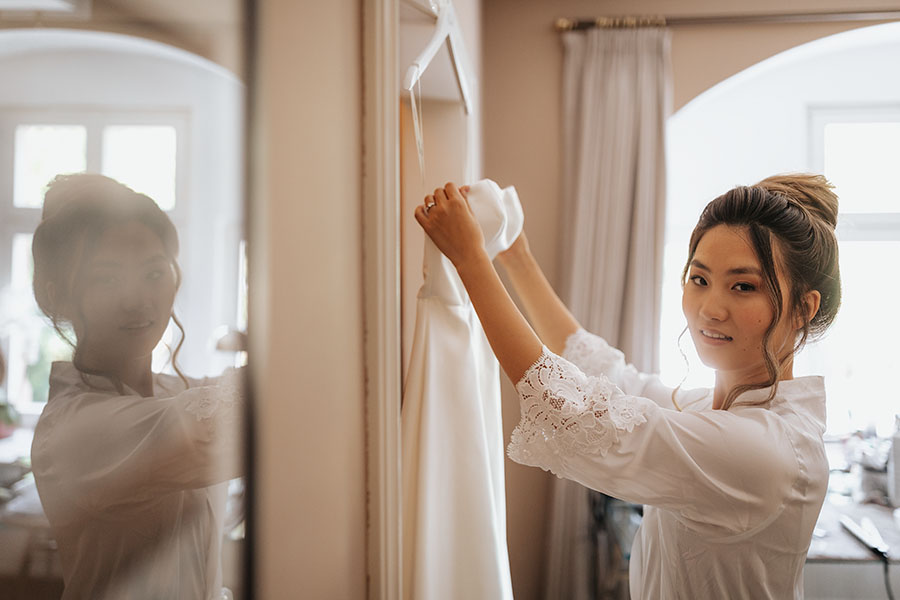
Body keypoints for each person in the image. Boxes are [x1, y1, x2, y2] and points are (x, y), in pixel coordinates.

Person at [415, 174, 840, 599]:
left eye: (743, 287)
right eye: (699, 279)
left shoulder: (767, 450)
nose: (710, 309)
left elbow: (573, 414)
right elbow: (606, 371)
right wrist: (515, 256)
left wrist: (472, 261)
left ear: (803, 307)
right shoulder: (714, 409)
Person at [29, 173, 244, 600]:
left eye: (153, 272)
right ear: (60, 297)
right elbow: (237, 424)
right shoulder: (75, 429)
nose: (136, 298)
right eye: (106, 279)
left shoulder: (175, 394)